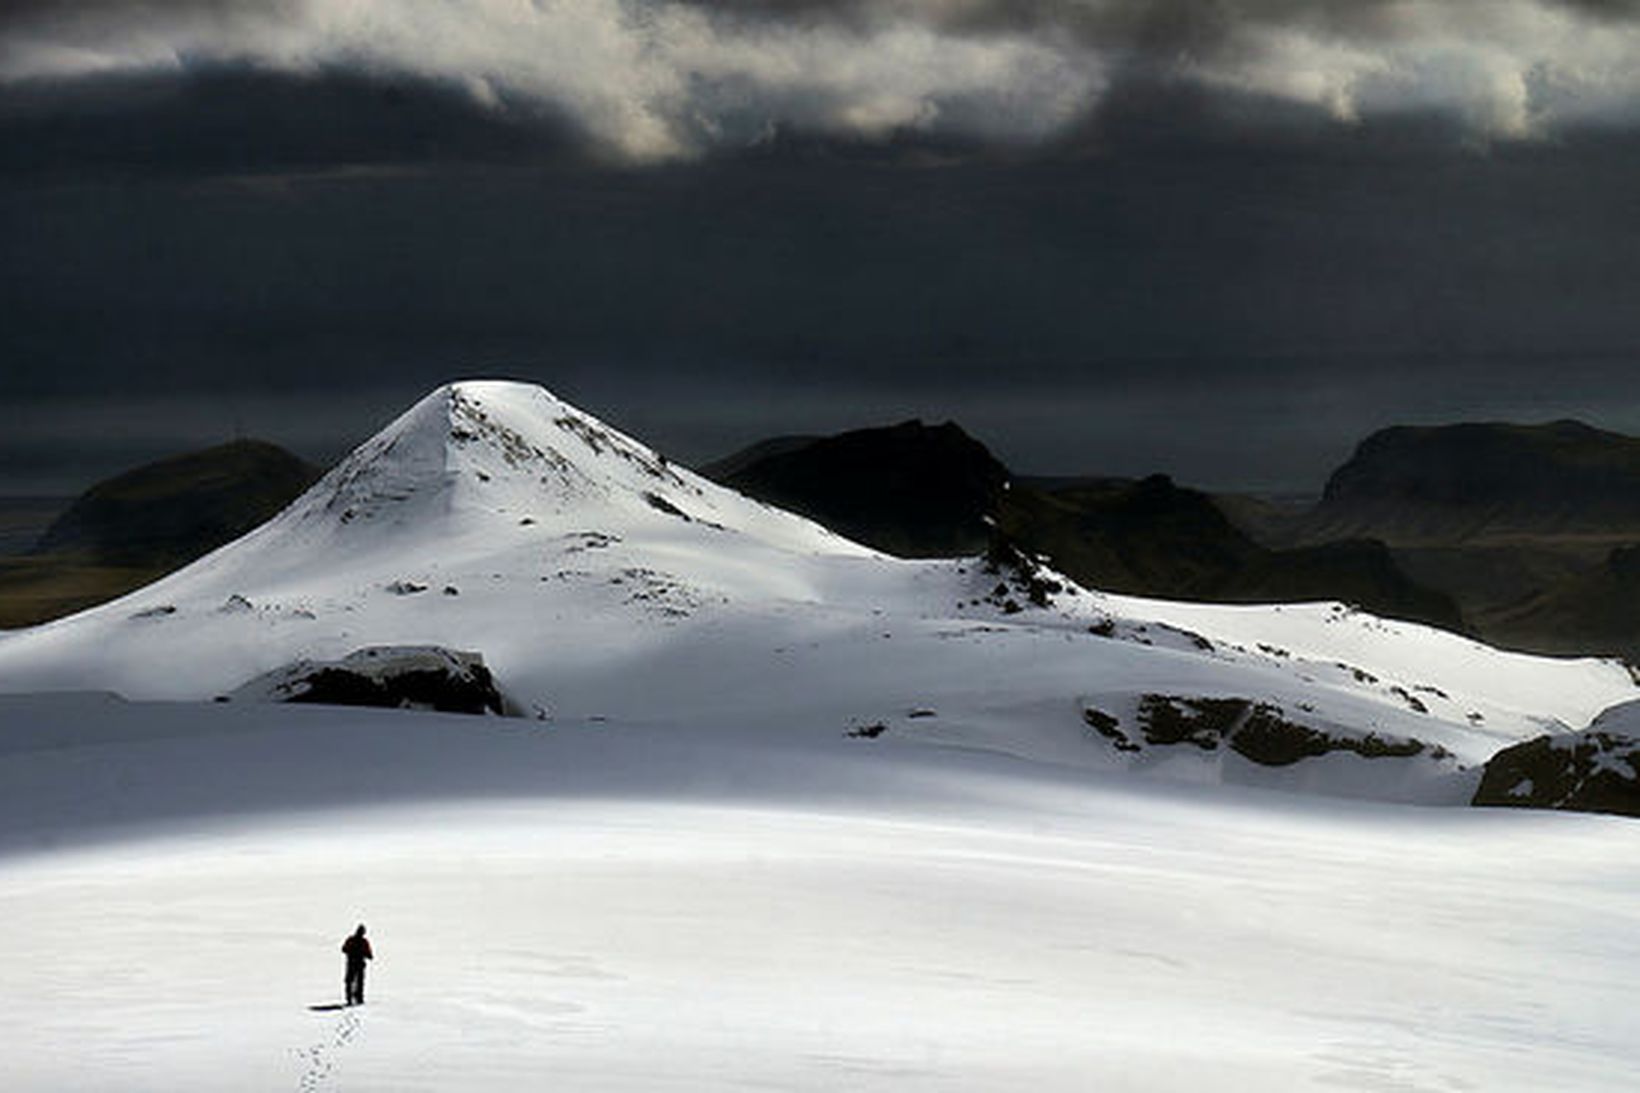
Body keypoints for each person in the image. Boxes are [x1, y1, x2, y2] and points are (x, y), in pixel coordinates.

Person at [342, 924, 373, 1006]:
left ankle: (350, 998)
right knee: (359, 982)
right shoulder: (364, 942)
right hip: (359, 964)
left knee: (350, 981)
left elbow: (344, 949)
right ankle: (358, 998)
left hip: (351, 964)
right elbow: (369, 954)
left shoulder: (351, 939)